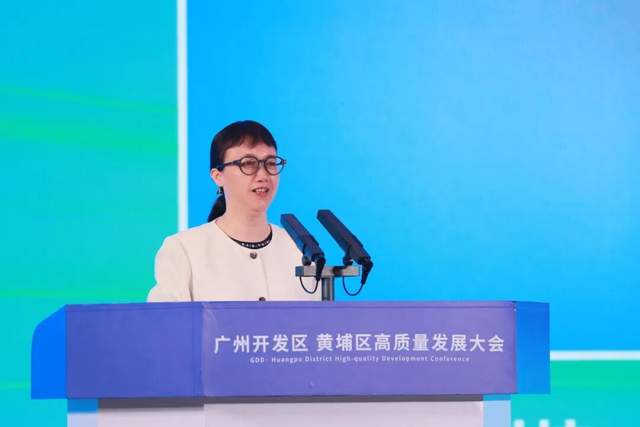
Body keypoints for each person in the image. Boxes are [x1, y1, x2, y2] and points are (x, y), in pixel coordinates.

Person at [147, 120, 320, 302]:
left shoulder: (301, 250)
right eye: (248, 163)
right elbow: (163, 319)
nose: (263, 175)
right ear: (217, 176)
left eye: (270, 163)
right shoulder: (184, 250)